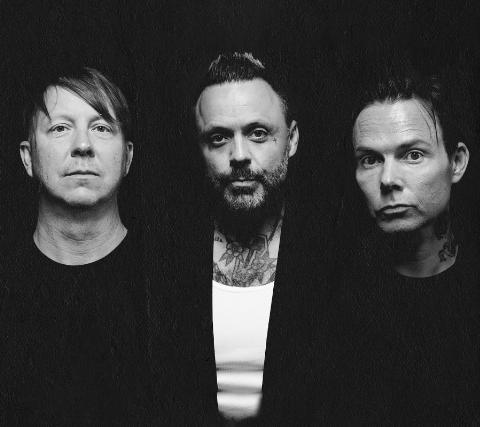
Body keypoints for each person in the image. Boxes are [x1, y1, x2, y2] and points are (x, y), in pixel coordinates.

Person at [149, 52, 334, 426]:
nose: (239, 156)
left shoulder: (333, 252)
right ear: (199, 148)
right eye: (218, 138)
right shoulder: (163, 255)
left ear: (292, 139)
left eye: (258, 133)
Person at [312, 60, 479, 425]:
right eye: (370, 159)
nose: (388, 179)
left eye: (412, 155)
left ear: (456, 162)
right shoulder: (333, 308)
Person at [0, 66, 147, 426]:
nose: (82, 145)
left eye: (101, 128)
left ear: (128, 157)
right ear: (27, 157)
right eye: (60, 128)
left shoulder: (162, 281)